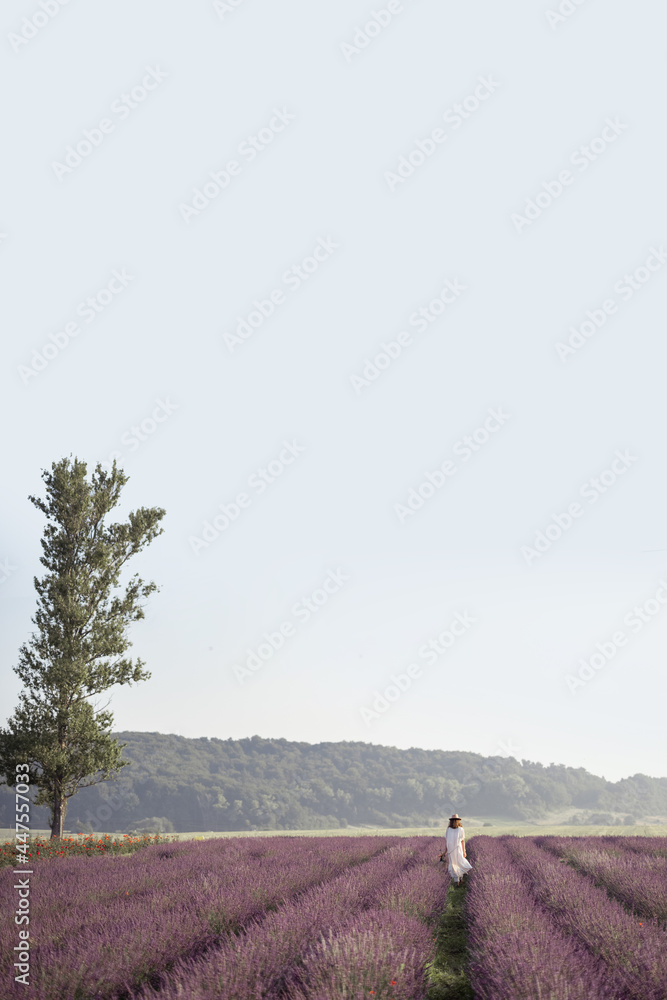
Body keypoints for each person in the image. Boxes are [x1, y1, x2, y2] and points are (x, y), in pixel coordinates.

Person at [443, 813, 472, 885]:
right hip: (453, 850)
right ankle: (457, 881)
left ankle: (459, 880)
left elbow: (462, 841)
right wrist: (445, 851)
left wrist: (464, 851)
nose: (454, 821)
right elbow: (448, 841)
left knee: (457, 863)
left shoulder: (459, 829)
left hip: (456, 849)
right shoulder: (449, 830)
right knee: (455, 864)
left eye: (455, 820)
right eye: (454, 820)